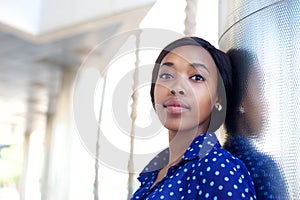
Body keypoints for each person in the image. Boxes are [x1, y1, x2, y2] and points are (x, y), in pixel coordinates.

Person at [131, 37, 257, 199]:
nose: (177, 88)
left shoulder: (216, 167)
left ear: (218, 97)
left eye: (197, 77)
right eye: (166, 75)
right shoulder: (154, 173)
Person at [224, 49, 288, 199]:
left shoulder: (212, 164)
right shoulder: (262, 168)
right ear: (241, 102)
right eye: (259, 89)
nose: (265, 104)